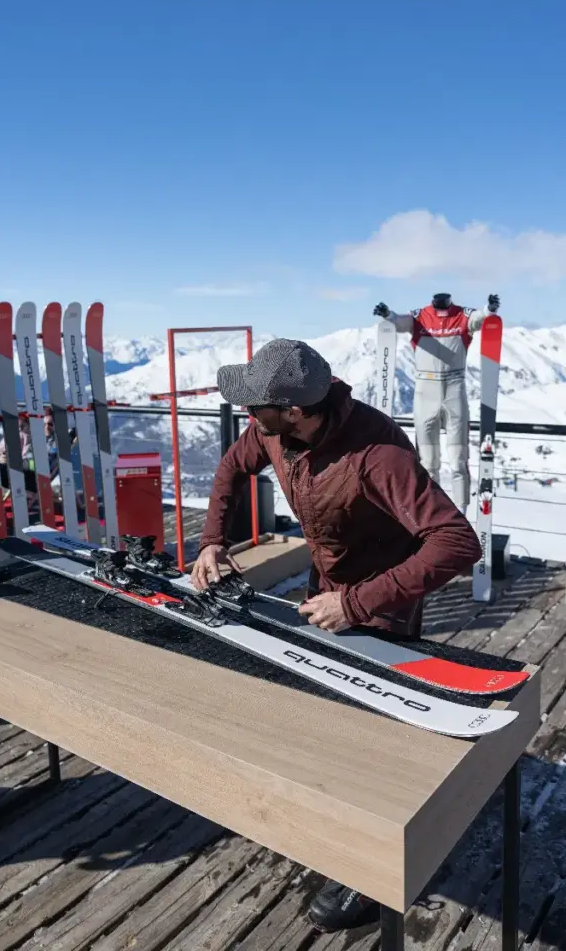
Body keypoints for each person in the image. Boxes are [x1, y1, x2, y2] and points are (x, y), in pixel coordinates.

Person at [191, 337, 482, 933]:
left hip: (381, 600)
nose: (249, 417)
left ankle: (372, 875)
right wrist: (211, 541)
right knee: (330, 717)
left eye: (256, 407)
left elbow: (458, 542)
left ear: (294, 409)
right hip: (328, 591)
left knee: (381, 740)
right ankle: (339, 830)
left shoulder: (378, 455)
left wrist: (357, 603)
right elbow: (229, 468)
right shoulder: (275, 429)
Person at [373, 292, 500, 515]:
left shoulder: (462, 315)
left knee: (459, 459)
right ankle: (434, 512)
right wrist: (387, 314)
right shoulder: (420, 316)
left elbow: (479, 319)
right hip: (425, 391)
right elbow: (399, 322)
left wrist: (490, 310)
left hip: (454, 388)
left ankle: (462, 511)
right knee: (428, 462)